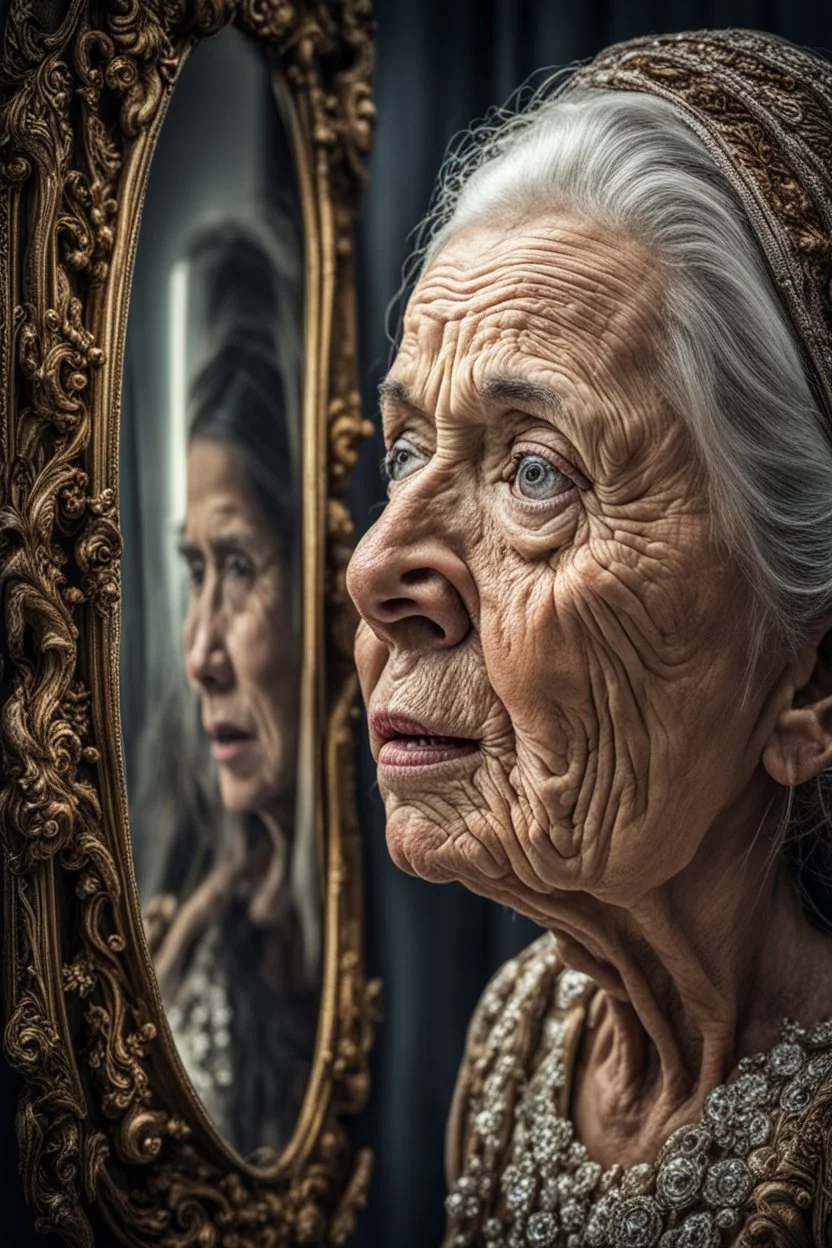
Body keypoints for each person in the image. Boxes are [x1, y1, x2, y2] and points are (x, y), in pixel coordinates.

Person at [346, 28, 832, 1247]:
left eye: (534, 471)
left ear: (810, 676)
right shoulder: (521, 1036)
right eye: (405, 450)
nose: (374, 571)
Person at [137, 223, 318, 1159]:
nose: (199, 651)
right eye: (192, 570)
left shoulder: (396, 934)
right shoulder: (198, 903)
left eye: (239, 565)